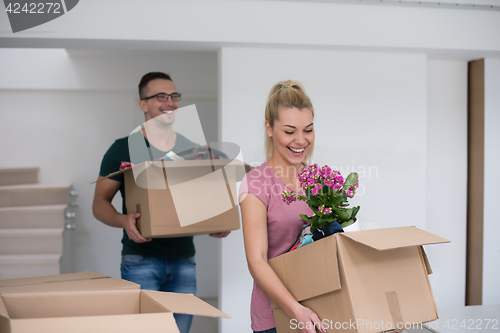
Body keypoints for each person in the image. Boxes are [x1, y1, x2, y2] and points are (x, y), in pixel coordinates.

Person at [92, 72, 229, 333]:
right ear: (143, 104)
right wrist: (123, 220)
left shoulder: (193, 150)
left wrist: (217, 219)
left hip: (184, 259)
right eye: (161, 97)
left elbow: (203, 200)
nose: (170, 102)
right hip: (141, 260)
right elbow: (99, 202)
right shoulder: (123, 149)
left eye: (175, 96)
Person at [239, 80, 327, 333]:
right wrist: (296, 310)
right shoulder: (256, 182)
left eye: (308, 130)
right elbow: (256, 261)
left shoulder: (318, 179)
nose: (301, 140)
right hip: (276, 317)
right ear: (269, 128)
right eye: (289, 131)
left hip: (321, 309)